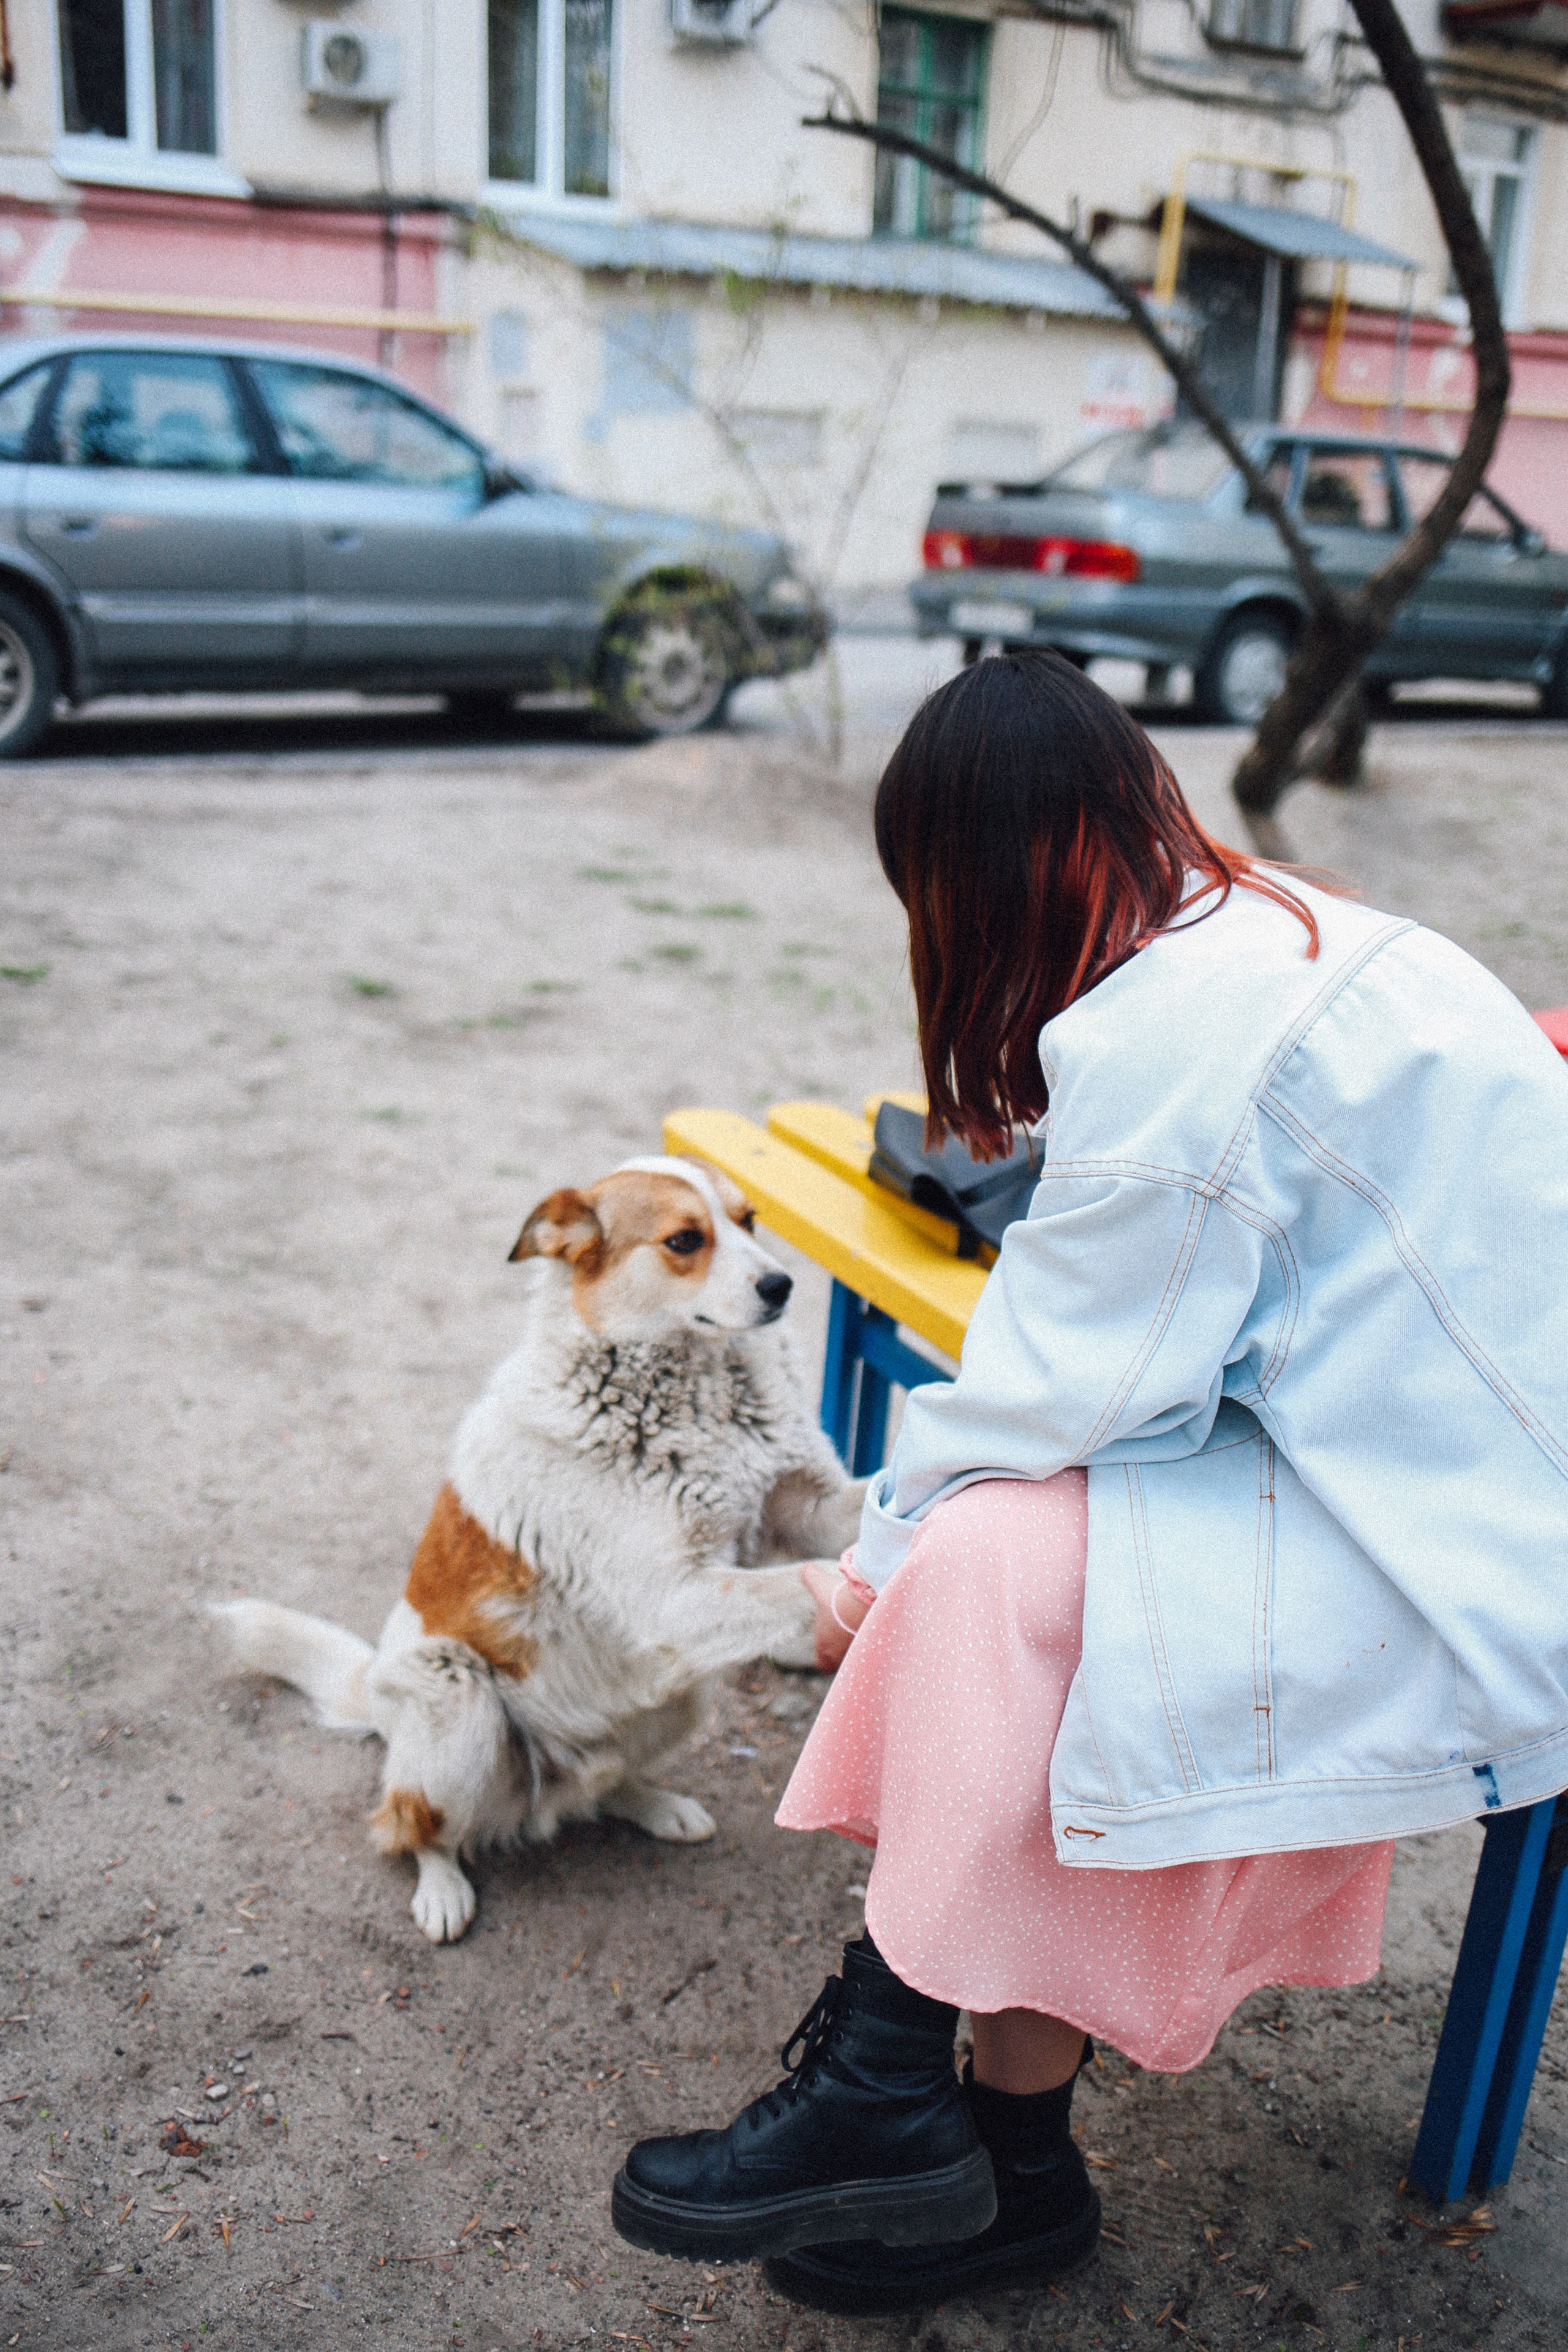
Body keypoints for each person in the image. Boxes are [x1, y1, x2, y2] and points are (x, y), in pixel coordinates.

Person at [609, 650, 1568, 2317]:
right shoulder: (1271, 926)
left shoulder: (1184, 1033)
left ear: (973, 883)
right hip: (1420, 1470)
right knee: (1000, 1577)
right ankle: (997, 2154)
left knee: (980, 1567)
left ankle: (902, 2094)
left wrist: (862, 1574)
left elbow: (1054, 1384)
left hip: (1481, 1551)